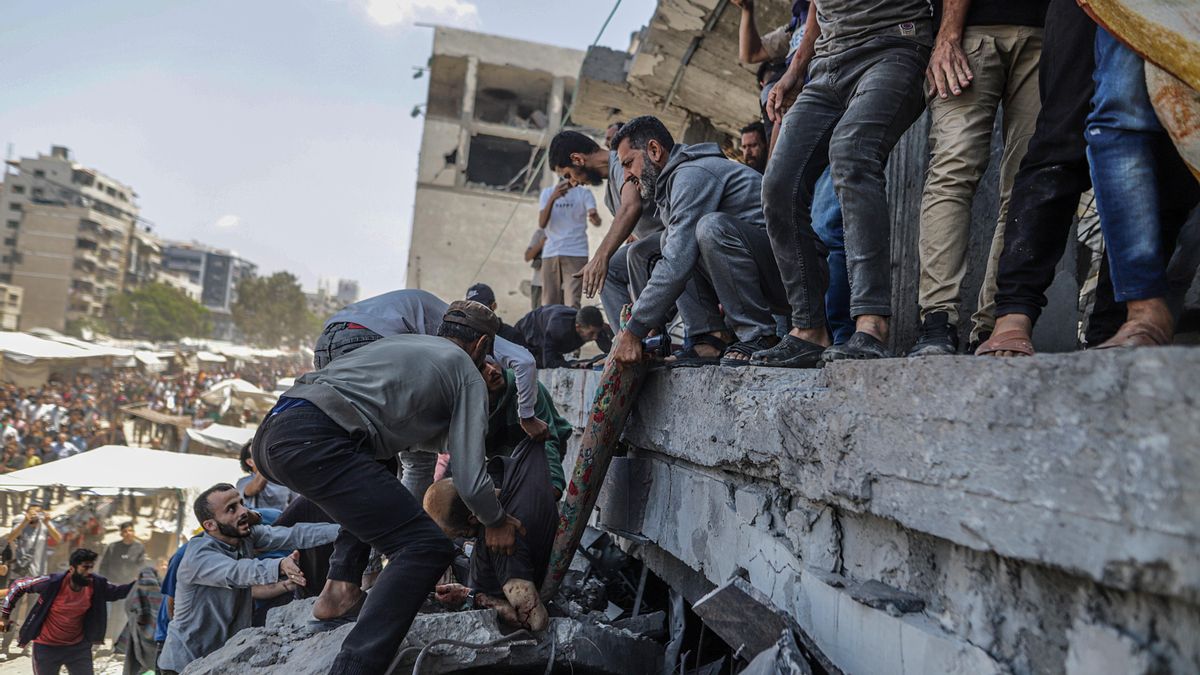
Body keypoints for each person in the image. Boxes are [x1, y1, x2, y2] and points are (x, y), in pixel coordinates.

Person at [250, 302, 525, 675]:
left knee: (380, 462)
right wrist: (496, 519)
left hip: (276, 431)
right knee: (424, 546)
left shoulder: (406, 345)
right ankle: (353, 668)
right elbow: (471, 480)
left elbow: (415, 436)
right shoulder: (467, 372)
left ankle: (340, 588)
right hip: (315, 440)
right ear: (481, 345)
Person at [753, 0, 934, 365]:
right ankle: (808, 329)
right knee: (777, 185)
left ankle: (871, 324)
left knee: (851, 152)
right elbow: (819, 9)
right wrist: (795, 70)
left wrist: (947, 37)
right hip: (827, 65)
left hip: (894, 45)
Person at [908, 0, 1049, 356]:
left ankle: (992, 326)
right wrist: (948, 35)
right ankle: (937, 321)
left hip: (1047, 30)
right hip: (971, 31)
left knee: (1024, 185)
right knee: (953, 172)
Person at [608, 116, 790, 367]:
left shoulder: (691, 175)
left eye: (629, 164)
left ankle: (758, 335)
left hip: (790, 277)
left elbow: (676, 262)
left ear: (654, 150)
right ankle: (708, 338)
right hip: (762, 273)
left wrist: (634, 329)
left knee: (706, 229)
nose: (627, 176)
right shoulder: (670, 186)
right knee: (651, 246)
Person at [313, 289, 546, 442]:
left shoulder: (437, 324)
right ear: (482, 342)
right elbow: (524, 361)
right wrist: (527, 416)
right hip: (366, 339)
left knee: (347, 440)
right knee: (399, 446)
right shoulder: (468, 332)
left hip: (325, 342)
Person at [157, 484, 339, 674]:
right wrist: (279, 565)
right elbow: (239, 571)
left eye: (241, 504)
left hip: (223, 658)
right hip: (185, 663)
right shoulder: (198, 556)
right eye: (231, 509)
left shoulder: (244, 538)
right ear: (210, 525)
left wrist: (343, 530)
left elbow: (295, 535)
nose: (244, 512)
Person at [548, 129, 679, 334]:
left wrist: (601, 256)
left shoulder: (620, 164)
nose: (572, 183)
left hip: (673, 241)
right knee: (611, 269)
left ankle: (640, 335)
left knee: (621, 258)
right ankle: (626, 341)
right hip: (655, 246)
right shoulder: (609, 195)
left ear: (577, 159)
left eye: (568, 175)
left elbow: (631, 207)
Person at [427, 438, 558, 632]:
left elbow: (535, 621)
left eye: (458, 532)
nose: (458, 535)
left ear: (472, 518)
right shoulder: (512, 469)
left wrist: (470, 596)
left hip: (501, 605)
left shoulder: (503, 545)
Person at [0, 548, 133, 675]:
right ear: (72, 568)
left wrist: (139, 584)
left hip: (78, 648)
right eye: (85, 567)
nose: (89, 572)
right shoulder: (53, 582)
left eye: (91, 567)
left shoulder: (96, 584)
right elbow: (18, 585)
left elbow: (118, 592)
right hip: (47, 647)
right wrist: (4, 616)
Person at [480, 360, 570, 497]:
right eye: (481, 368)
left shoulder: (524, 387)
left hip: (541, 447)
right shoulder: (468, 408)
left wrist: (553, 483)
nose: (492, 370)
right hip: (503, 461)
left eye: (491, 362)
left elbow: (546, 440)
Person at [2, 501, 61, 657]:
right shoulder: (21, 522)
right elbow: (10, 538)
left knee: (33, 612)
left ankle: (25, 646)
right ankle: (4, 646)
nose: (35, 514)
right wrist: (25, 521)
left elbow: (59, 539)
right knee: (13, 611)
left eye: (38, 512)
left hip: (38, 576)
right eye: (32, 511)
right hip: (19, 574)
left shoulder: (45, 525)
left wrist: (48, 523)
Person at [538, 179, 600, 308]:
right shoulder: (547, 192)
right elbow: (542, 223)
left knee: (572, 302)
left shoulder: (583, 193)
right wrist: (552, 199)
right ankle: (550, 328)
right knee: (548, 302)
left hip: (576, 252)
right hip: (551, 252)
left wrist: (594, 217)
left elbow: (596, 220)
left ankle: (571, 327)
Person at [515, 305, 611, 369]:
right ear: (578, 327)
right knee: (534, 364)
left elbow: (610, 351)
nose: (595, 337)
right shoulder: (558, 329)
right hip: (528, 332)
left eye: (597, 333)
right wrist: (573, 365)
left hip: (548, 323)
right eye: (591, 334)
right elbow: (549, 362)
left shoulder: (594, 327)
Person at [97, 521, 144, 645]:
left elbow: (140, 566)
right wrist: (104, 582)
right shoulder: (112, 547)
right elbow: (103, 566)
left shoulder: (139, 548)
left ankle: (116, 641)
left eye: (130, 530)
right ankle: (103, 639)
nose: (128, 533)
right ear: (121, 533)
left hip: (127, 587)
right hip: (112, 585)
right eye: (125, 531)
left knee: (123, 615)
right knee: (108, 614)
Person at [122, 567, 160, 675]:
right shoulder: (161, 589)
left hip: (138, 632)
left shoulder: (137, 588)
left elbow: (129, 606)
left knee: (138, 661)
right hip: (154, 633)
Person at [236, 443, 292, 511]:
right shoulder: (242, 482)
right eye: (257, 453)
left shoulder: (283, 479)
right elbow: (257, 487)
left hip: (282, 520)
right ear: (250, 462)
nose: (263, 454)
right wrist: (265, 460)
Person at [525, 229, 546, 311]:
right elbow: (527, 256)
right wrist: (541, 244)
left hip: (558, 285)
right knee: (537, 315)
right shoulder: (540, 233)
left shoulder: (566, 231)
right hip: (539, 283)